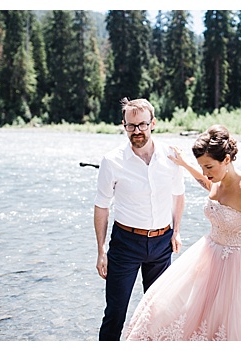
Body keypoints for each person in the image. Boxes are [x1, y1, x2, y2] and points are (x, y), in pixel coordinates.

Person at [121, 124, 241, 341]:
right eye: (202, 167)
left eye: (209, 167)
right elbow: (205, 183)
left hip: (234, 266)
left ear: (227, 160)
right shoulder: (217, 181)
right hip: (207, 255)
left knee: (223, 326)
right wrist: (184, 165)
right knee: (165, 311)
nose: (205, 173)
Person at [95, 97, 186, 341]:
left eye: (142, 125)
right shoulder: (111, 161)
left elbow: (178, 194)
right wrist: (101, 250)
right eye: (130, 126)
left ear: (153, 123)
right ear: (123, 125)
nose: (137, 131)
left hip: (161, 243)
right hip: (125, 244)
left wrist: (176, 232)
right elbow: (101, 207)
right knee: (115, 312)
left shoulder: (170, 156)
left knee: (159, 313)